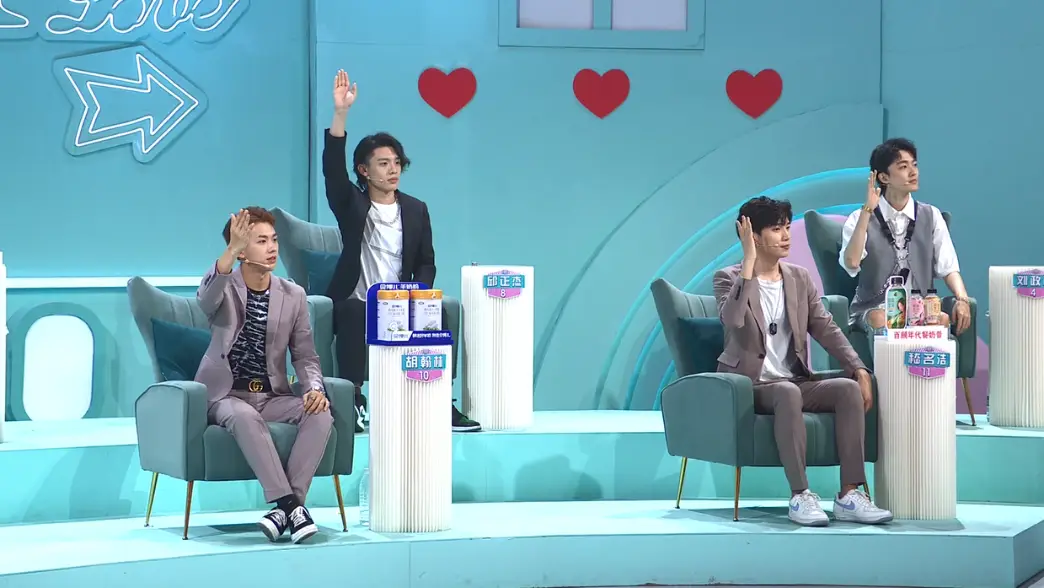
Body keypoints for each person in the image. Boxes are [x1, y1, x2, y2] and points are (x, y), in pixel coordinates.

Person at [713, 196, 893, 527]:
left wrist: (858, 367)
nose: (786, 235)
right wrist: (749, 264)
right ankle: (800, 495)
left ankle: (849, 494)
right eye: (775, 229)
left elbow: (826, 327)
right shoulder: (728, 278)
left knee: (847, 389)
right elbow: (733, 319)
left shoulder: (798, 278)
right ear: (753, 235)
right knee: (786, 392)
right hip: (751, 385)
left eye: (786, 227)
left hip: (793, 380)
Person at [321, 68, 480, 433]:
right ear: (364, 171)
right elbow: (332, 172)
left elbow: (426, 262)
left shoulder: (415, 208)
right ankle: (353, 399)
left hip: (400, 301)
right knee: (354, 312)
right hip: (358, 300)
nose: (393, 170)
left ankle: (439, 399)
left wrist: (416, 296)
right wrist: (340, 114)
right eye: (383, 164)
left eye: (396, 163)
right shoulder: (351, 204)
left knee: (436, 311)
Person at [195, 207, 333, 544]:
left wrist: (314, 388)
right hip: (226, 395)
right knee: (244, 417)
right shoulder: (224, 287)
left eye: (274, 240)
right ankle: (291, 505)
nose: (272, 248)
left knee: (320, 413)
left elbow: (305, 354)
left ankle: (286, 510)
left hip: (272, 395)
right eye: (260, 241)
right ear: (241, 251)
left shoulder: (293, 295)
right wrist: (230, 250)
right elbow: (205, 299)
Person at [840, 138, 972, 335]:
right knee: (881, 318)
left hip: (920, 307)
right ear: (884, 177)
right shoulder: (859, 218)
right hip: (874, 309)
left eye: (914, 165)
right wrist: (868, 211)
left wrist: (962, 299)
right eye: (903, 167)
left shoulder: (931, 215)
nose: (913, 172)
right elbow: (851, 262)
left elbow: (949, 267)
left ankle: (923, 357)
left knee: (941, 318)